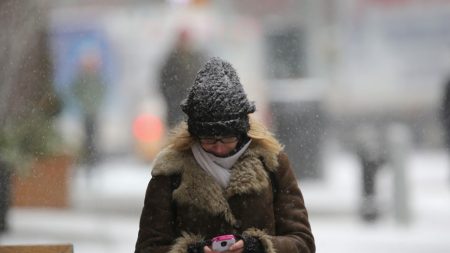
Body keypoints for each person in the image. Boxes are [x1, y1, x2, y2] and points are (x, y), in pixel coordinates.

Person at [135, 57, 315, 253]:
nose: (219, 148)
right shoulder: (171, 171)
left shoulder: (272, 164)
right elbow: (148, 247)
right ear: (195, 135)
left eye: (227, 138)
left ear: (242, 132)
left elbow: (303, 243)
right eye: (209, 140)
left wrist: (259, 248)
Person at [159, 28, 205, 129]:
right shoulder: (171, 60)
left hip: (193, 107)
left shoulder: (197, 58)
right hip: (175, 106)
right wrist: (171, 97)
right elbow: (163, 82)